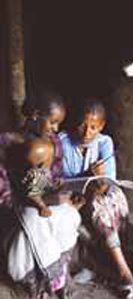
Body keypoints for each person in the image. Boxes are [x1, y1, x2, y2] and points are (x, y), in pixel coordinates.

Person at [59, 98, 133, 299]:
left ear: (102, 126)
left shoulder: (104, 142)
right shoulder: (61, 142)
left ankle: (121, 273)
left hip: (101, 198)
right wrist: (87, 184)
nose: (87, 133)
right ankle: (127, 278)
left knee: (105, 204)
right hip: (73, 200)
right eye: (82, 125)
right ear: (75, 121)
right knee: (98, 207)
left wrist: (99, 182)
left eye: (93, 127)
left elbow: (109, 184)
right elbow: (57, 182)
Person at [0, 91, 81, 299]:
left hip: (45, 202)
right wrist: (38, 201)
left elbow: (54, 181)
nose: (56, 129)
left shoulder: (54, 143)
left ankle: (58, 277)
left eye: (58, 124)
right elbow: (4, 197)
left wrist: (63, 195)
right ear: (35, 115)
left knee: (69, 214)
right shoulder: (6, 142)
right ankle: (39, 285)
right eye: (53, 122)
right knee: (33, 219)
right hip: (16, 212)